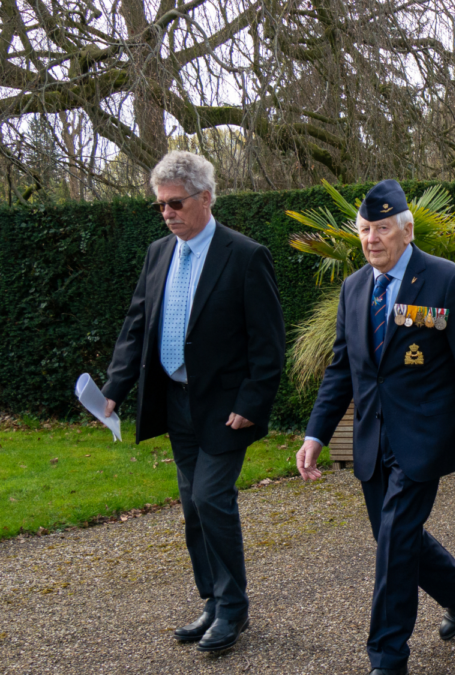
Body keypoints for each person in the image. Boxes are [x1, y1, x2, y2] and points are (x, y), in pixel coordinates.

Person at [297, 179, 455, 675]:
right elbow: (342, 369)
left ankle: (387, 656)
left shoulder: (446, 281)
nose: (371, 239)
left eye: (381, 229)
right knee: (394, 537)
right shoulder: (354, 287)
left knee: (393, 544)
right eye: (365, 230)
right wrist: (316, 434)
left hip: (424, 438)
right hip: (370, 438)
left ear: (407, 231)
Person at [101, 151, 286, 653]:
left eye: (175, 203)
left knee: (210, 498)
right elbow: (138, 325)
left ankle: (233, 609)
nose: (167, 213)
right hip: (174, 401)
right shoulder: (159, 253)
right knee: (191, 506)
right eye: (160, 206)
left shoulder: (245, 255)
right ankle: (212, 600)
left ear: (205, 198)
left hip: (227, 408)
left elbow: (268, 344)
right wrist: (114, 390)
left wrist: (252, 401)